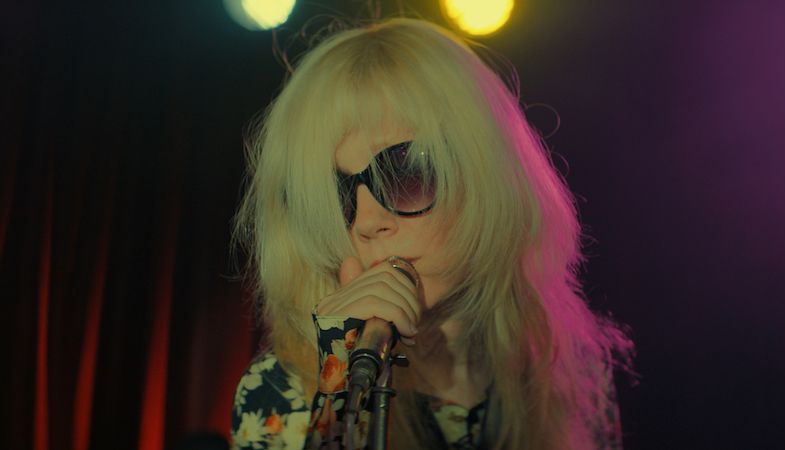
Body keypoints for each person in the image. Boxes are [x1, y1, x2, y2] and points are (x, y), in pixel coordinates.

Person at [229, 17, 634, 450]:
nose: (368, 222)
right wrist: (341, 393)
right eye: (335, 193)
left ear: (485, 174)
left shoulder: (570, 371)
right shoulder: (280, 395)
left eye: (403, 174)